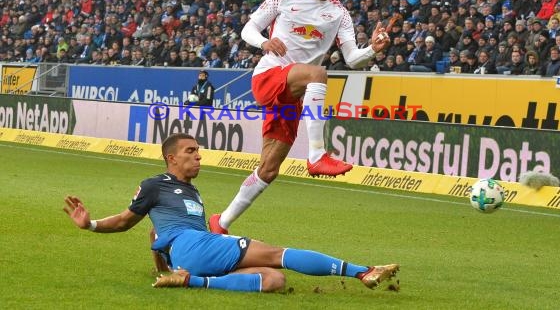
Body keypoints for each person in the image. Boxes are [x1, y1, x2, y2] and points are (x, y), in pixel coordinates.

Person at [63, 133, 400, 293]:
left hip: (193, 253)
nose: (198, 157)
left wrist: (165, 258)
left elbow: (156, 236)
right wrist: (90, 224)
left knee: (274, 280)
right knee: (278, 254)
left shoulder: (192, 191)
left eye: (199, 151)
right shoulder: (154, 184)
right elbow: (124, 221)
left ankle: (192, 280)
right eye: (190, 152)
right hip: (194, 245)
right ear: (171, 159)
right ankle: (362, 272)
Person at [208, 0, 391, 234]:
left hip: (293, 94)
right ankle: (317, 154)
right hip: (269, 77)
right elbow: (248, 29)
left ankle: (221, 222)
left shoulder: (339, 14)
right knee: (318, 72)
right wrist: (264, 43)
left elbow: (353, 58)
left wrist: (373, 49)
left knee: (268, 169)